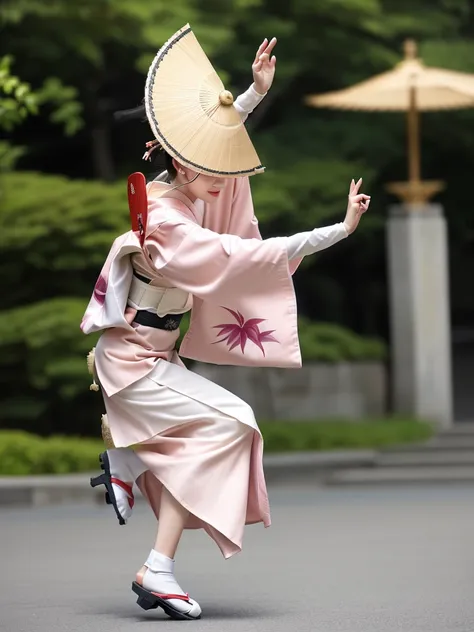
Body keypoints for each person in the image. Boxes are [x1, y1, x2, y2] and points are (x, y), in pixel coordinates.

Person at [82, 25, 370, 622]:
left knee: (199, 452)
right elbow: (240, 255)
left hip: (153, 359)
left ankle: (137, 488)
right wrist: (335, 232)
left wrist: (250, 96)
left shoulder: (183, 195)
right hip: (134, 363)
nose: (227, 175)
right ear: (183, 164)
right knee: (233, 423)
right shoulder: (169, 222)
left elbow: (210, 150)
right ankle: (142, 509)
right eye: (211, 165)